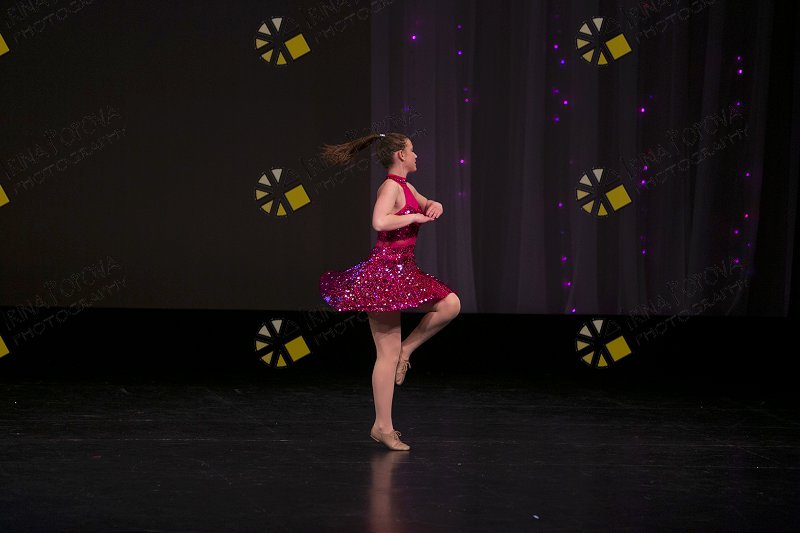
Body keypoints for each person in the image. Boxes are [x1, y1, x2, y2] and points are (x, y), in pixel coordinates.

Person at [319, 132, 461, 451]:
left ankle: (406, 352)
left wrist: (433, 205)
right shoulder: (390, 187)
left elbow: (425, 203)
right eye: (412, 150)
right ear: (400, 155)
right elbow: (379, 221)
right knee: (385, 354)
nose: (416, 155)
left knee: (450, 305)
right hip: (383, 274)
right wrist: (413, 216)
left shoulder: (406, 187)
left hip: (404, 270)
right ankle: (382, 426)